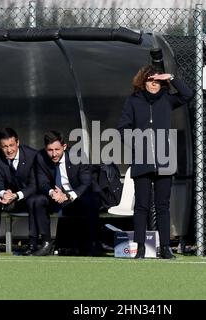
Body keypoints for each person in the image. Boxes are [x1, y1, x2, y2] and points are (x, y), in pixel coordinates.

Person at [117, 65, 194, 259]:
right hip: (142, 161)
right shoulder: (133, 101)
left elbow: (187, 95)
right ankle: (141, 248)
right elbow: (123, 128)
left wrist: (172, 77)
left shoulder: (167, 100)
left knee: (162, 205)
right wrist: (137, 144)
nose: (154, 83)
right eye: (151, 80)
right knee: (141, 206)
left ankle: (166, 248)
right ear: (143, 81)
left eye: (158, 80)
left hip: (164, 161)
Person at [32, 130, 100, 256]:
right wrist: (53, 193)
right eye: (50, 150)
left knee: (91, 201)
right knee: (38, 201)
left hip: (76, 195)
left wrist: (68, 196)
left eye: (57, 149)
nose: (53, 154)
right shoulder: (40, 157)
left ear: (64, 146)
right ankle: (46, 243)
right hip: (55, 196)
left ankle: (91, 244)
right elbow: (42, 183)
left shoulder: (77, 156)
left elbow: (86, 183)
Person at [0, 128, 39, 255]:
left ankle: (33, 244)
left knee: (35, 201)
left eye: (11, 145)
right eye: (4, 146)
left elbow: (34, 185)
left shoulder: (32, 155)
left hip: (26, 196)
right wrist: (3, 193)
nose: (9, 150)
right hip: (8, 198)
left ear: (18, 142)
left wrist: (16, 195)